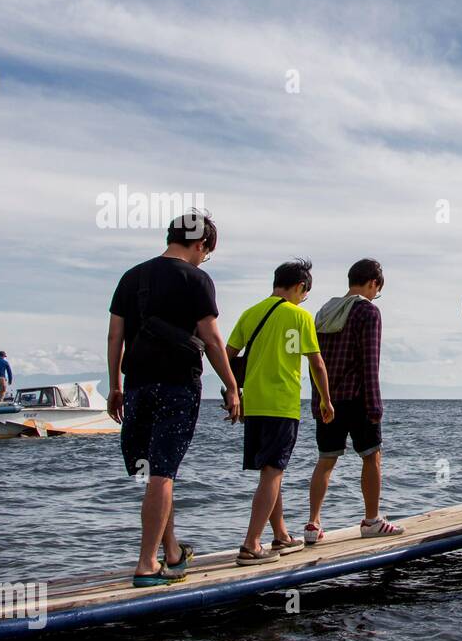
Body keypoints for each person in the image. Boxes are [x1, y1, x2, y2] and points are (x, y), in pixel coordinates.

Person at [107, 210, 241, 588]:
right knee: (163, 473)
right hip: (177, 384)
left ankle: (172, 553)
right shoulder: (196, 279)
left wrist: (114, 385)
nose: (204, 258)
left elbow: (114, 336)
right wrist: (231, 386)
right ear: (201, 244)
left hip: (135, 384)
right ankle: (147, 565)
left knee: (154, 473)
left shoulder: (132, 277)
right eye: (206, 252)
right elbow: (213, 340)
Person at [226, 258, 334, 566]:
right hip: (282, 403)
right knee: (274, 472)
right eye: (305, 293)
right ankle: (251, 544)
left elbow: (227, 355)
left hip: (254, 403)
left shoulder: (250, 313)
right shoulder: (299, 316)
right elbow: (316, 363)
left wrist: (234, 391)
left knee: (270, 473)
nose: (304, 298)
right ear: (300, 287)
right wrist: (326, 400)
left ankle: (281, 535)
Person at [304, 258, 403, 544]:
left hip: (327, 400)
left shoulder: (324, 311)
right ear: (373, 283)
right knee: (371, 456)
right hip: (358, 398)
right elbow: (369, 360)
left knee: (325, 460)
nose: (375, 295)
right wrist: (375, 406)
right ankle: (371, 520)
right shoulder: (367, 311)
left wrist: (319, 400)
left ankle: (313, 525)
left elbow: (314, 362)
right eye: (377, 290)